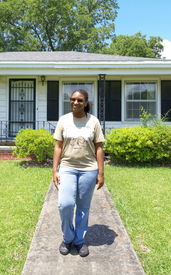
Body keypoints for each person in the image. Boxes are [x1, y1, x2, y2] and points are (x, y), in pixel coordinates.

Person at [52, 88, 105, 257]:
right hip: (67, 167)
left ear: (86, 103)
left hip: (88, 170)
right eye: (73, 99)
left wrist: (101, 173)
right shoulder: (64, 120)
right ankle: (68, 238)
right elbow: (58, 146)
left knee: (83, 207)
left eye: (80, 100)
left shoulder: (93, 122)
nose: (76, 102)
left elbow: (99, 148)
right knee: (65, 205)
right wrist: (55, 170)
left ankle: (80, 241)